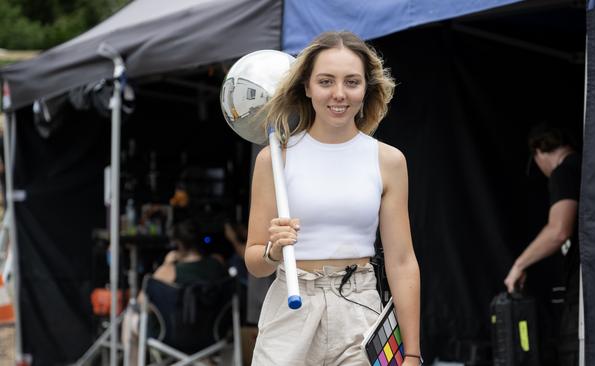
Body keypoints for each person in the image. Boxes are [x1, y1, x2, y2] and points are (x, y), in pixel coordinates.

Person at [245, 31, 421, 366]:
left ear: (366, 88)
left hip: (360, 313)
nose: (339, 94)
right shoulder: (273, 160)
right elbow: (254, 262)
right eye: (326, 81)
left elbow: (402, 262)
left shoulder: (389, 161)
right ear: (307, 87)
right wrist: (272, 251)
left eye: (352, 82)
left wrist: (412, 352)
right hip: (290, 311)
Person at [504, 123, 581, 366]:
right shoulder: (587, 167)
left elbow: (559, 230)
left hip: (584, 288)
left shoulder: (564, 171)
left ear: (539, 151)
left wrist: (519, 265)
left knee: (573, 351)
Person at [121, 218, 227, 364]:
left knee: (131, 315)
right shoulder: (217, 264)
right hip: (213, 336)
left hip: (171, 337)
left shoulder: (169, 271)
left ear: (177, 244)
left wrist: (166, 263)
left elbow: (141, 302)